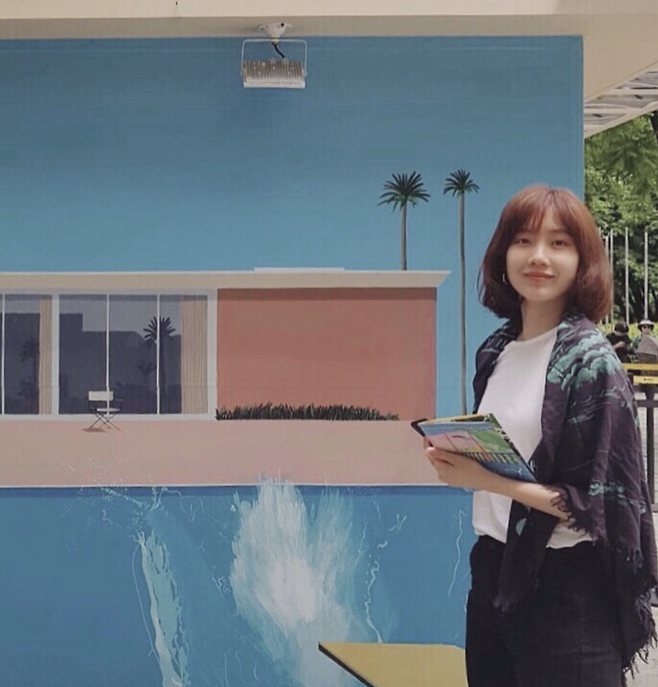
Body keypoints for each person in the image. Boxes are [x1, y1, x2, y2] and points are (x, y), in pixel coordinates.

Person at [423, 185, 657, 687]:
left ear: (582, 261)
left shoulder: (594, 365)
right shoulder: (497, 350)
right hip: (494, 576)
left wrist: (487, 480)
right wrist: (462, 457)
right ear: (503, 254)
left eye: (559, 243)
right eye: (524, 240)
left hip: (567, 591)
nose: (538, 257)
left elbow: (599, 507)